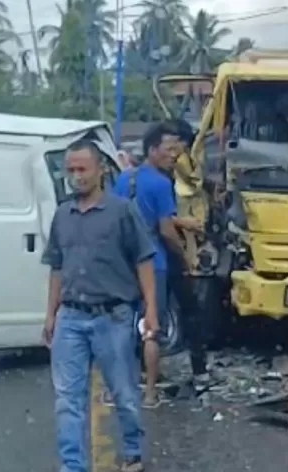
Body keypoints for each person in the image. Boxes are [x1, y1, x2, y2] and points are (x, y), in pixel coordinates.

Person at [42, 139, 155, 472]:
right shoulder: (63, 214)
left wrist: (151, 310)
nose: (76, 177)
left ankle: (132, 452)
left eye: (82, 169)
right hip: (71, 318)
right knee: (67, 400)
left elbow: (143, 260)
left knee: (123, 394)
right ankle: (72, 466)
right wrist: (50, 315)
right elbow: (56, 267)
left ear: (100, 170)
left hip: (114, 318)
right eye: (71, 170)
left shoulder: (121, 211)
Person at [112, 122, 187, 409]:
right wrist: (184, 255)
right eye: (168, 150)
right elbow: (167, 230)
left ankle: (117, 388)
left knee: (122, 326)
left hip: (124, 263)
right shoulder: (161, 183)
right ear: (152, 150)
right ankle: (150, 392)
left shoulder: (125, 179)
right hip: (153, 263)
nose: (173, 155)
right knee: (152, 326)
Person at [166, 119, 213, 387]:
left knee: (191, 310)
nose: (175, 152)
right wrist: (182, 224)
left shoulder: (188, 169)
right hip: (169, 252)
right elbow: (157, 219)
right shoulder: (159, 178)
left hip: (186, 250)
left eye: (179, 145)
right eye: (171, 146)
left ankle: (199, 370)